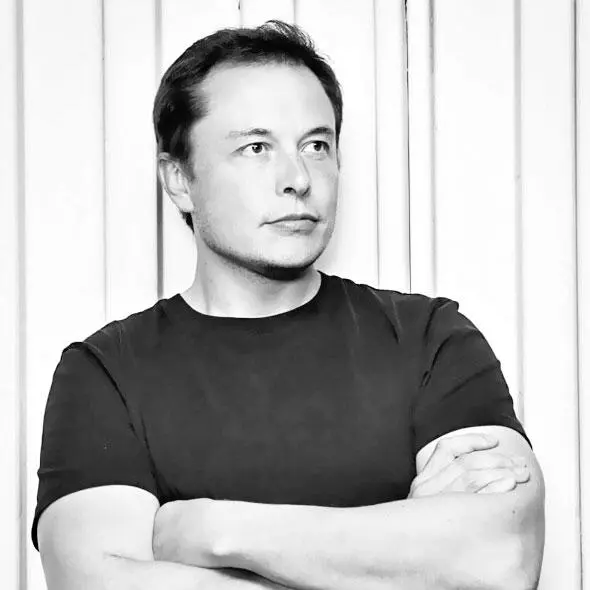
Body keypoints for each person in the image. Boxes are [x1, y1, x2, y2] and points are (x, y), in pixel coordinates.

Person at [34, 20, 545, 590]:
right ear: (179, 179)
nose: (298, 178)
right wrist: (408, 553)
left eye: (316, 145)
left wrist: (212, 530)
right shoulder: (105, 373)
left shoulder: (431, 339)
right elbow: (98, 581)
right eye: (256, 148)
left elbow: (501, 561)